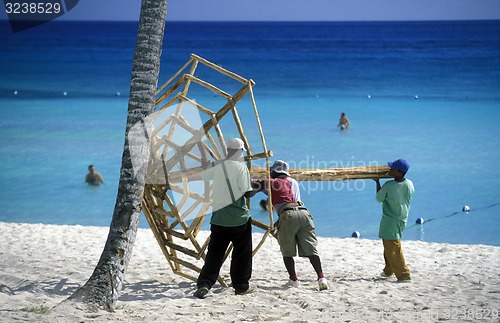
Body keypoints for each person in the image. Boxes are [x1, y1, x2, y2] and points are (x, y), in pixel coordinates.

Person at [252, 160, 328, 291]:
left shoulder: (271, 182)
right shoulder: (294, 182)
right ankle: (321, 277)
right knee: (311, 249)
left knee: (287, 249)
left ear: (275, 171)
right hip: (305, 214)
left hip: (288, 215)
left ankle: (294, 279)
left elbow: (252, 185)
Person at [194, 138, 256, 299]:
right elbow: (246, 192)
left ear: (227, 150)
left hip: (219, 219)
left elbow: (205, 176)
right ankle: (241, 286)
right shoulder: (241, 169)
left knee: (214, 255)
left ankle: (205, 284)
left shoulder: (217, 165)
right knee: (241, 254)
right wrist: (258, 188)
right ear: (240, 151)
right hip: (239, 219)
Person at [373, 159, 414, 282]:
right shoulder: (409, 184)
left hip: (390, 219)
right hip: (402, 218)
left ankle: (404, 274)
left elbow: (379, 198)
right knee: (389, 244)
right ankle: (388, 270)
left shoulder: (389, 186)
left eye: (393, 169)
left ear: (400, 173)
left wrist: (377, 182)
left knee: (393, 246)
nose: (390, 170)